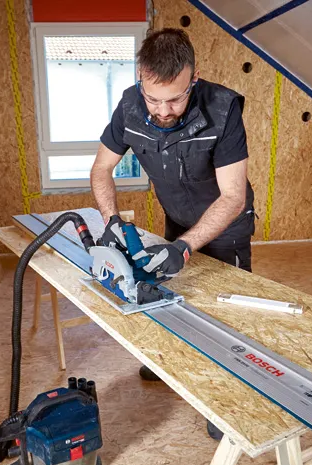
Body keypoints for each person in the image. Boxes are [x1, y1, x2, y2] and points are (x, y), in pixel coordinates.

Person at [90, 28, 256, 440]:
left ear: (193, 78)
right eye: (154, 99)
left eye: (176, 98)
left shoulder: (222, 109)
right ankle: (170, 365)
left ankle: (225, 400)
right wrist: (112, 220)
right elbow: (101, 170)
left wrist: (184, 248)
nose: (163, 110)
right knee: (169, 299)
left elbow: (233, 196)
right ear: (140, 79)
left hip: (225, 224)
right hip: (177, 220)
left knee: (225, 316)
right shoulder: (129, 105)